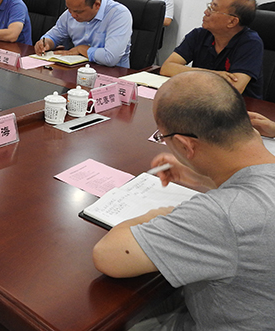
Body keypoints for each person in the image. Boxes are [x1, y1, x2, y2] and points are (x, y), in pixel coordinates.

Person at [93, 71, 275, 331]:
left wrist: (161, 213)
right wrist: (200, 176)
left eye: (162, 137)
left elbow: (108, 255)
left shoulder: (221, 215)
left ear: (185, 145)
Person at [160, 0, 263, 98]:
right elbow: (167, 68)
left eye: (213, 8)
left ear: (232, 21)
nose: (206, 12)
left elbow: (233, 88)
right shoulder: (199, 35)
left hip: (238, 105)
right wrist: (213, 74)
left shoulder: (250, 43)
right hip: (201, 98)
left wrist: (191, 73)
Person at [34, 0, 133, 67]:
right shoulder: (70, 13)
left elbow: (110, 57)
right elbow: (53, 36)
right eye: (69, 9)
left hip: (112, 74)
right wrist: (46, 43)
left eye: (78, 12)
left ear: (97, 5)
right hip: (77, 69)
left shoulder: (118, 14)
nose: (72, 15)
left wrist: (81, 49)